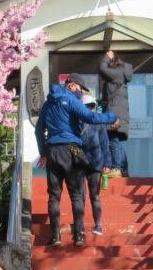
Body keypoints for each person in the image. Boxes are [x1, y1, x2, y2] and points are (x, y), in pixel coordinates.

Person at [36, 74, 119, 247]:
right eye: (81, 90)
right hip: (71, 149)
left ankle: (56, 236)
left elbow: (39, 130)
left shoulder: (47, 104)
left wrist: (43, 153)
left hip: (52, 151)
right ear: (72, 86)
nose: (81, 94)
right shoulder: (70, 100)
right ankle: (79, 236)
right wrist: (112, 117)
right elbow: (91, 118)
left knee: (54, 196)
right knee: (77, 194)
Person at [77, 89, 109, 236]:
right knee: (81, 195)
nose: (90, 108)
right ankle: (81, 225)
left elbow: (104, 143)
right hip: (80, 162)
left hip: (95, 162)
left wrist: (107, 163)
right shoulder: (76, 121)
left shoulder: (99, 122)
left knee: (94, 195)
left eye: (92, 105)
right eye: (88, 106)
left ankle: (98, 225)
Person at [97, 49, 134, 177]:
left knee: (112, 139)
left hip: (115, 112)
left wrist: (107, 57)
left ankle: (117, 168)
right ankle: (123, 168)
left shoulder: (117, 73)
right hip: (119, 111)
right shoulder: (121, 74)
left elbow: (102, 68)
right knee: (115, 140)